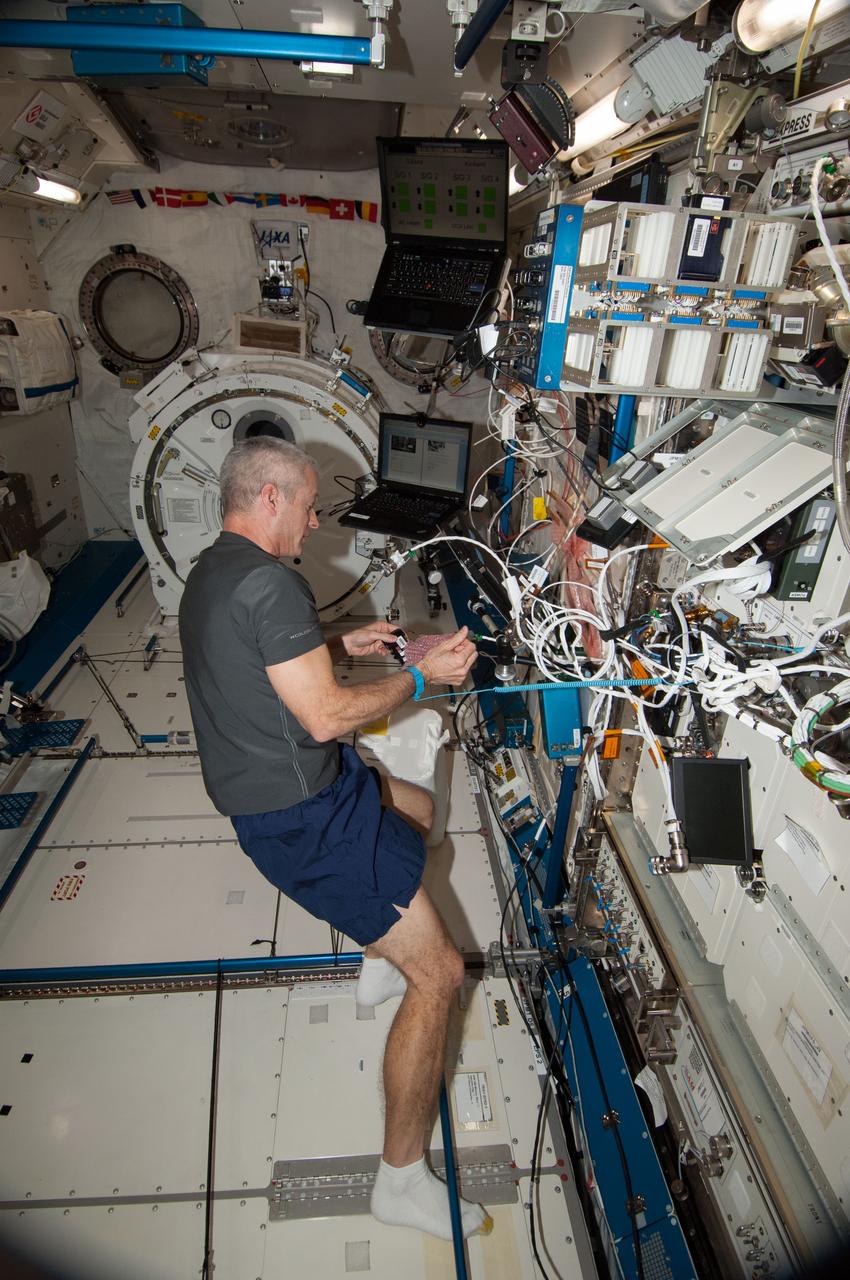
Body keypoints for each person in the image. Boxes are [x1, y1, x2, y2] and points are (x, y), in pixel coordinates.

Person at [178, 436, 492, 1242]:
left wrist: (342, 645)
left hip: (306, 783)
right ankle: (400, 1180)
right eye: (311, 506)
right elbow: (325, 716)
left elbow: (264, 659)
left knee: (417, 810)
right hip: (301, 818)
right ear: (271, 498)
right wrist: (423, 679)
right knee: (443, 974)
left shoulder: (214, 569)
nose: (317, 521)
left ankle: (376, 955)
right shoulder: (274, 585)